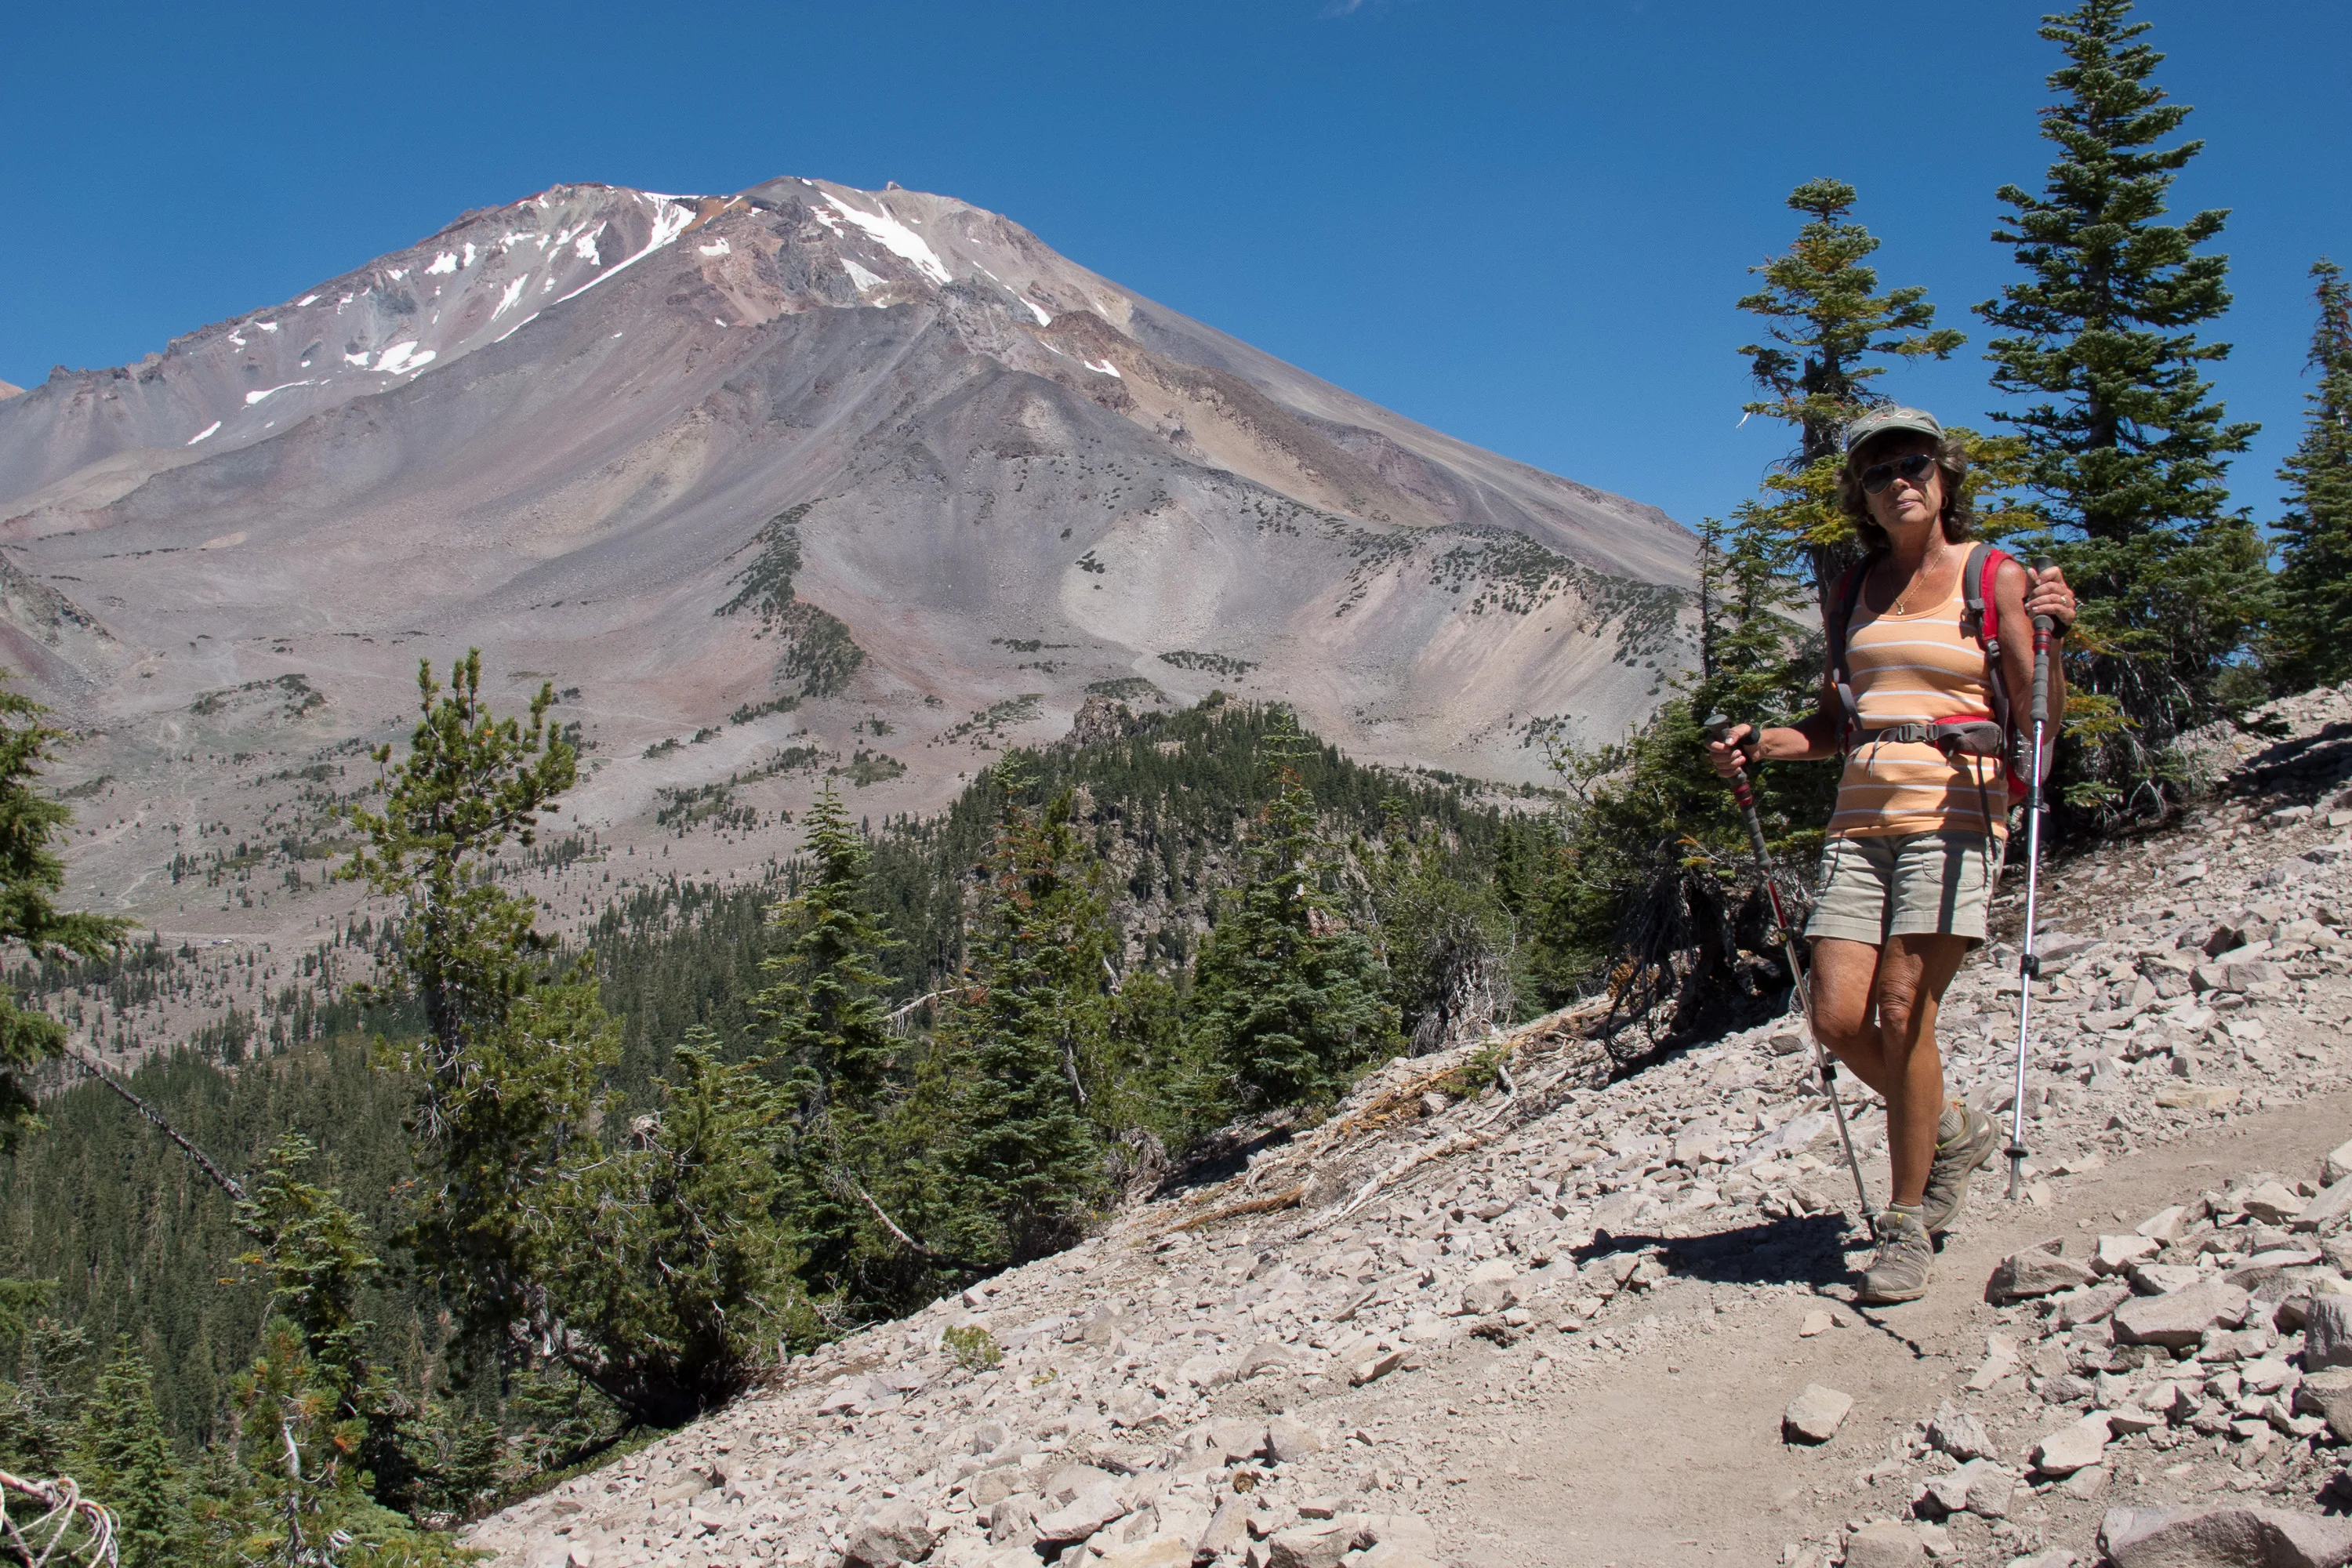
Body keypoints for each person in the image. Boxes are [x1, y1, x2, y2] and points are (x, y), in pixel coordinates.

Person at [1706, 405, 2076, 1303]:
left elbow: (2039, 716)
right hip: (1860, 822)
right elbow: (1837, 726)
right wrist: (1766, 742)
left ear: (1944, 475)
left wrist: (2058, 636)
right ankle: (1949, 1126)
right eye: (1879, 472)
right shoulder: (1856, 591)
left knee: (1905, 1010)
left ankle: (1906, 1222)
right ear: (1862, 498)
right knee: (1836, 1018)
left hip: (1956, 812)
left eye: (1913, 462)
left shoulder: (1995, 575)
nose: (1899, 479)